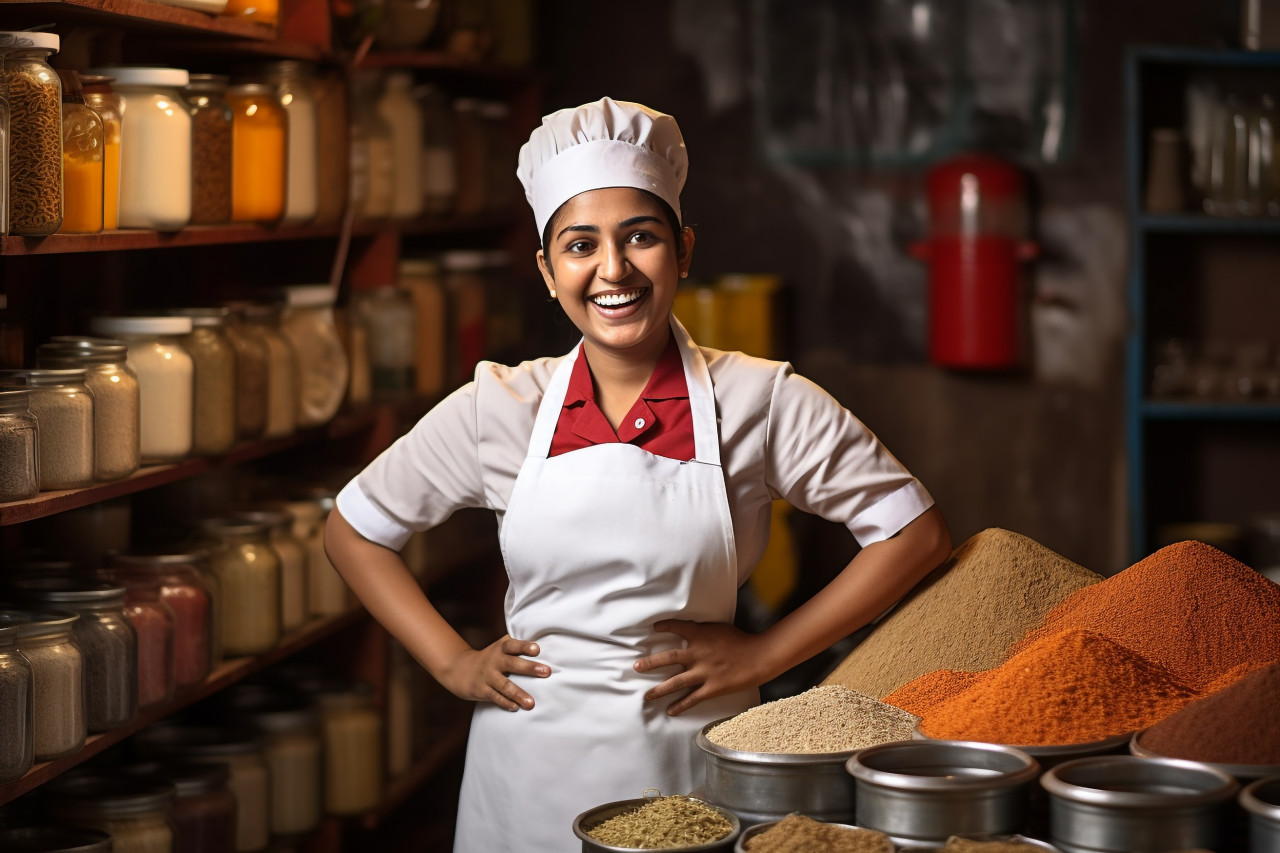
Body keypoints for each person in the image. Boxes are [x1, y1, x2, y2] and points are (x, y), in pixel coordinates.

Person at [325, 96, 952, 852]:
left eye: (641, 237)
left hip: (691, 767)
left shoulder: (760, 399)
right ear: (548, 270)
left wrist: (766, 653)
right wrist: (452, 661)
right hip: (524, 776)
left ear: (683, 251)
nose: (612, 269)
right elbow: (354, 530)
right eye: (580, 245)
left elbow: (914, 533)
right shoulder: (500, 406)